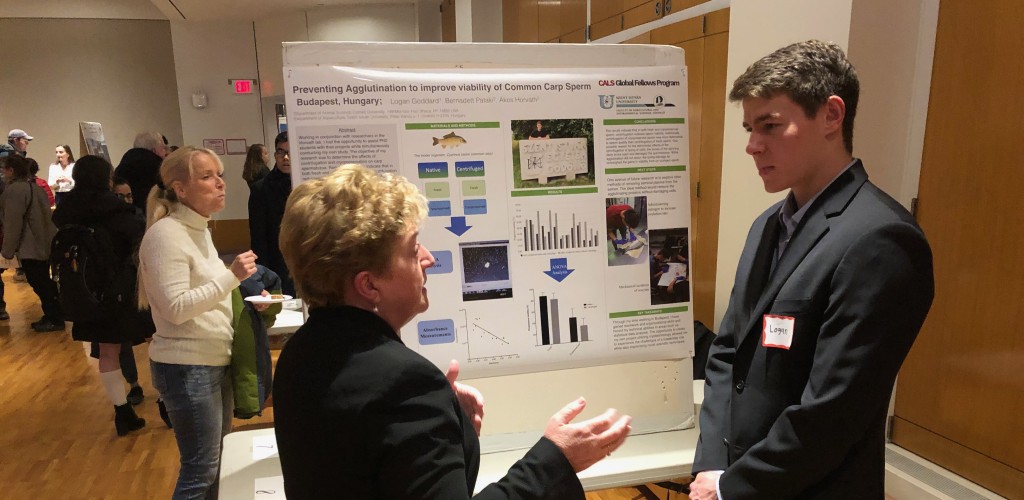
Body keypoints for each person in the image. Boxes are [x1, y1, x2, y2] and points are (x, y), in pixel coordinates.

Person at [273, 164, 632, 499]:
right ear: (369, 285)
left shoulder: (299, 354)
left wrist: (446, 426)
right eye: (412, 250)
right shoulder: (405, 383)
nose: (428, 258)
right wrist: (555, 460)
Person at [689, 40, 934, 500]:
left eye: (770, 125)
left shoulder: (881, 240)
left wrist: (730, 487)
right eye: (749, 128)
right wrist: (712, 467)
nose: (752, 145)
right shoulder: (767, 226)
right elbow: (728, 353)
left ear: (831, 116)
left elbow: (832, 413)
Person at [138, 146, 259, 499]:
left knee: (216, 463)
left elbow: (208, 293)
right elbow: (176, 308)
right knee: (201, 468)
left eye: (219, 174)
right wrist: (232, 277)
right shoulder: (165, 235)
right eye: (207, 176)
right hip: (187, 367)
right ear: (180, 189)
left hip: (211, 360)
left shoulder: (199, 229)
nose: (220, 183)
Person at [53, 155, 153, 435]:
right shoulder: (116, 209)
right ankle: (166, 404)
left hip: (86, 290)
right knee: (154, 340)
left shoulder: (66, 211)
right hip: (124, 287)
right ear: (107, 178)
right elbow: (138, 238)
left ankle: (122, 411)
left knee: (108, 352)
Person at [0, 155, 64, 332]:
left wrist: (7, 251)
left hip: (30, 245)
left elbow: (13, 222)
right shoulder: (36, 188)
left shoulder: (15, 191)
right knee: (43, 280)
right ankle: (54, 314)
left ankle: (54, 316)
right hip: (44, 242)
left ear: (11, 170)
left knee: (39, 281)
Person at [248, 131, 293, 295]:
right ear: (275, 155)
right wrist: (262, 278)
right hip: (277, 263)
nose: (286, 158)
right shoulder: (261, 189)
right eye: (281, 152)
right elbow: (258, 237)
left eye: (290, 152)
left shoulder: (309, 186)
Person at [114, 131, 169, 212]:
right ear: (155, 150)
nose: (166, 152)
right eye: (163, 148)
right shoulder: (156, 166)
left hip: (127, 212)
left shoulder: (125, 162)